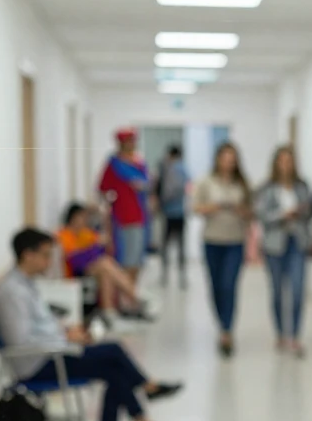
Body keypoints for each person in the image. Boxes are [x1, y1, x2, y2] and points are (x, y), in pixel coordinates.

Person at [0, 228, 185, 421]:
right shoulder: (12, 292)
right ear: (27, 255)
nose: (49, 261)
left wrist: (66, 331)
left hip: (52, 352)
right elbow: (19, 341)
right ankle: (147, 394)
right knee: (113, 353)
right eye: (45, 255)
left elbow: (38, 327)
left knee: (114, 369)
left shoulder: (26, 284)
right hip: (38, 364)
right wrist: (64, 338)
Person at [193, 142, 253, 357]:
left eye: (232, 159)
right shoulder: (206, 182)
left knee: (229, 285)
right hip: (212, 240)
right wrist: (214, 207)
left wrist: (240, 210)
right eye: (225, 158)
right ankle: (221, 323)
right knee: (216, 286)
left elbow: (252, 212)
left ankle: (227, 330)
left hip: (235, 241)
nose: (228, 163)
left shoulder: (242, 184)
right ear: (218, 159)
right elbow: (195, 207)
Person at [254, 145, 311, 356]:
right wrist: (282, 215)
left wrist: (300, 212)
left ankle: (295, 335)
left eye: (290, 161)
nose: (286, 165)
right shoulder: (267, 188)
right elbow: (261, 215)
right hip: (275, 245)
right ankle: (280, 332)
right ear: (276, 163)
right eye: (282, 161)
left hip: (297, 243)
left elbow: (310, 212)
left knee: (297, 291)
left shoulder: (302, 187)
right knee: (277, 291)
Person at [56, 202, 151, 325]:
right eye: (82, 217)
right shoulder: (63, 235)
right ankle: (135, 294)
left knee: (105, 270)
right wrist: (94, 248)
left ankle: (109, 312)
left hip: (91, 270)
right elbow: (74, 260)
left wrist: (101, 243)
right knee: (104, 264)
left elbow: (103, 251)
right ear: (73, 217)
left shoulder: (86, 234)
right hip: (73, 273)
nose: (84, 220)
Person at [97, 127, 151, 309]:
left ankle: (131, 294)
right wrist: (111, 202)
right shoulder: (114, 165)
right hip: (122, 218)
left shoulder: (139, 163)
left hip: (141, 216)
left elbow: (148, 184)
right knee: (125, 260)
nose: (132, 144)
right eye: (129, 141)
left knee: (137, 261)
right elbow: (103, 189)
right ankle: (124, 299)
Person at [154, 145, 190, 289]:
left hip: (170, 212)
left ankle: (165, 274)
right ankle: (182, 276)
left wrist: (161, 201)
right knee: (181, 245)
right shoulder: (184, 169)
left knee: (166, 244)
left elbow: (169, 190)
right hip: (180, 212)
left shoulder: (171, 169)